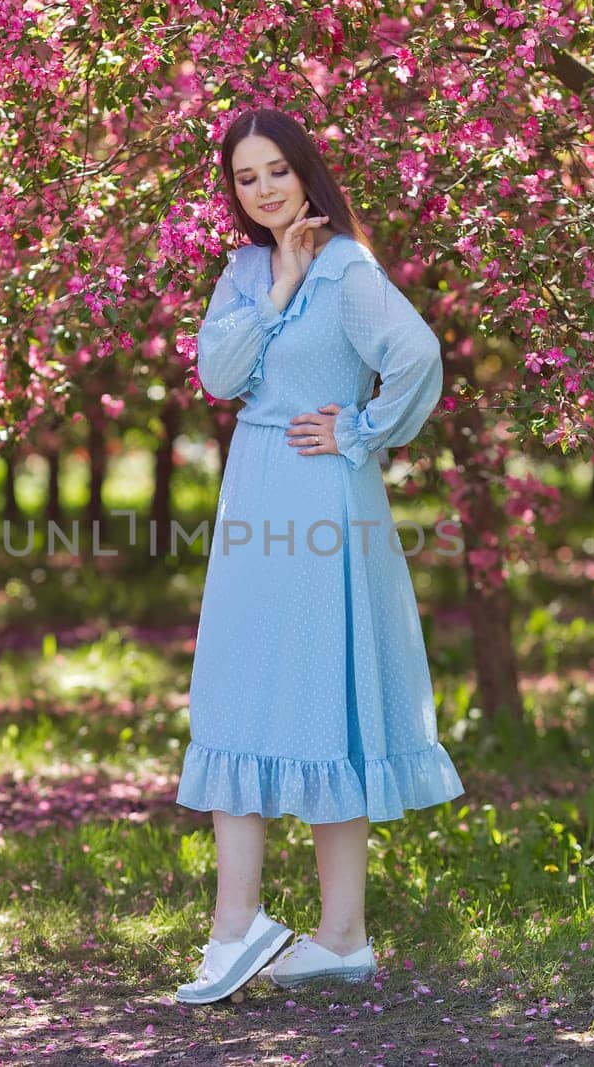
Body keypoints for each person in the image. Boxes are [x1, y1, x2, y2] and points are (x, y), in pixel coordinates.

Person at [173, 108, 465, 1006]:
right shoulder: (248, 269)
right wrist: (276, 283)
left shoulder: (348, 267)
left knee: (315, 696)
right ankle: (275, 927)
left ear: (307, 171)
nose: (262, 189)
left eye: (276, 171)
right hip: (255, 490)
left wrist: (363, 430)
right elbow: (218, 377)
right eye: (245, 177)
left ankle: (317, 934)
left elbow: (417, 355)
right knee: (242, 689)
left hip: (320, 493)